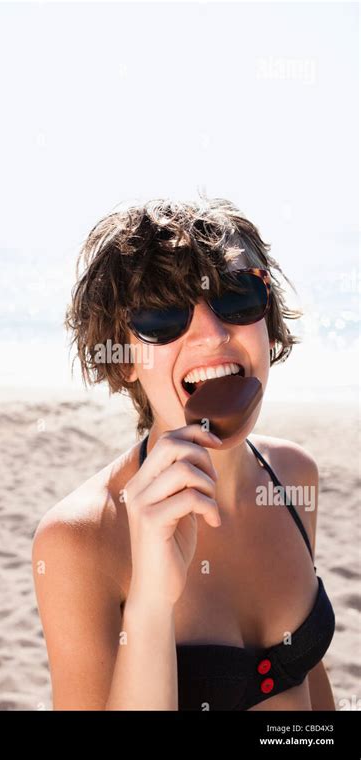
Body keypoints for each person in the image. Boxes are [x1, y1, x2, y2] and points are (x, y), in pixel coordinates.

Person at [32, 195, 336, 710]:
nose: (213, 335)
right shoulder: (77, 541)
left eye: (238, 297)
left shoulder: (292, 477)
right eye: (162, 315)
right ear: (124, 356)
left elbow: (306, 682)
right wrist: (151, 602)